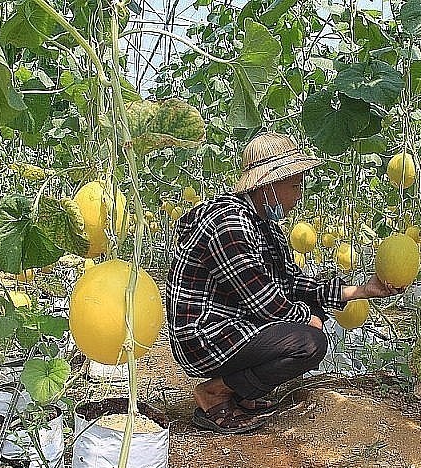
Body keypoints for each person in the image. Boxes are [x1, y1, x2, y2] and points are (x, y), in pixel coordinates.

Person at [165, 132, 401, 434]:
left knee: (308, 326)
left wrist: (362, 291)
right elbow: (262, 299)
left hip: (236, 326)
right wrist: (308, 319)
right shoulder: (228, 223)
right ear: (268, 186)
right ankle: (214, 393)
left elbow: (293, 284)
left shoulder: (267, 229)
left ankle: (239, 394)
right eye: (294, 185)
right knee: (308, 343)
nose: (299, 195)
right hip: (206, 337)